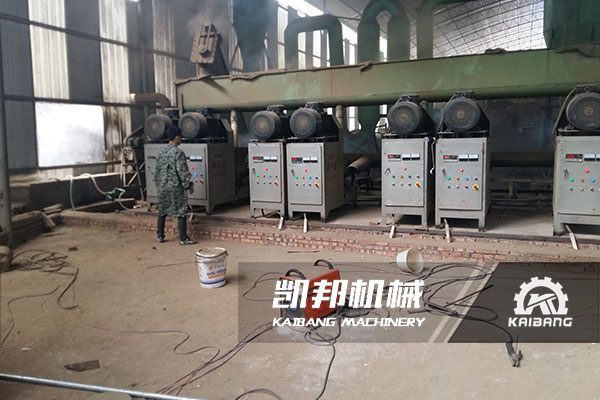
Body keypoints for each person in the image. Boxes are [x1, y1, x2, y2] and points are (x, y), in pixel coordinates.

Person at [154, 125, 197, 245]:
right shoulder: (178, 153)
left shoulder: (161, 153)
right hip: (176, 187)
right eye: (180, 137)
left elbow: (157, 172)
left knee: (162, 211)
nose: (181, 139)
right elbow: (182, 172)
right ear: (177, 137)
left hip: (163, 187)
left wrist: (159, 185)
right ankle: (183, 238)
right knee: (181, 211)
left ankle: (160, 236)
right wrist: (189, 185)